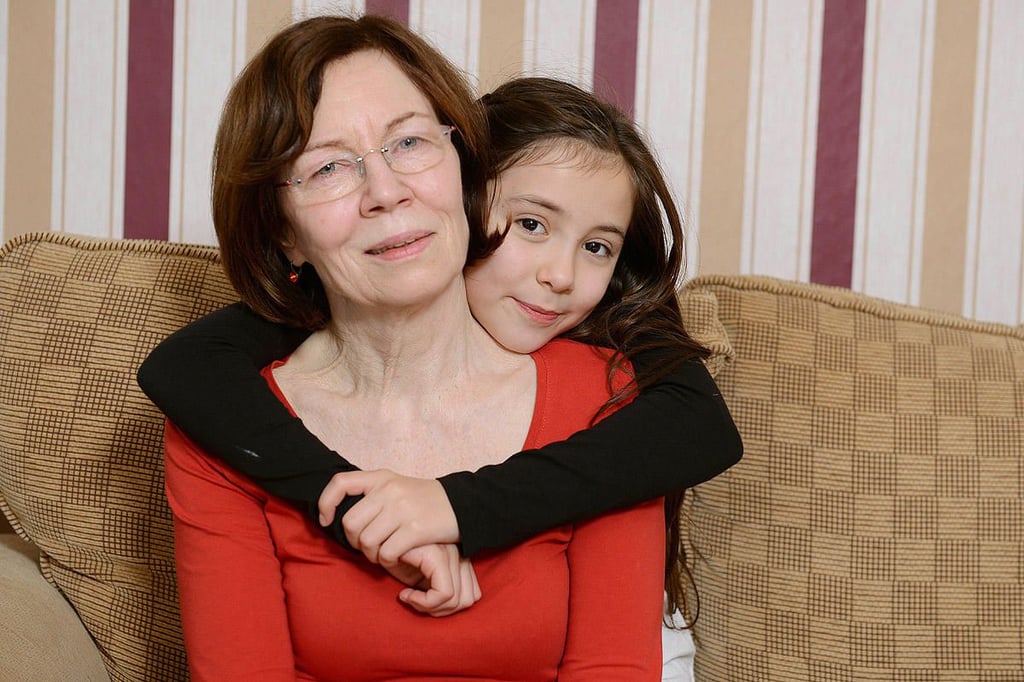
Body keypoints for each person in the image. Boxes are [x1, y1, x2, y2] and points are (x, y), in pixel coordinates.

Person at [164, 14, 671, 680]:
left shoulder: (604, 399)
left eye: (408, 143)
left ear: (463, 166)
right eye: (326, 170)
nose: (385, 191)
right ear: (284, 234)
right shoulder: (223, 422)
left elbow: (615, 669)